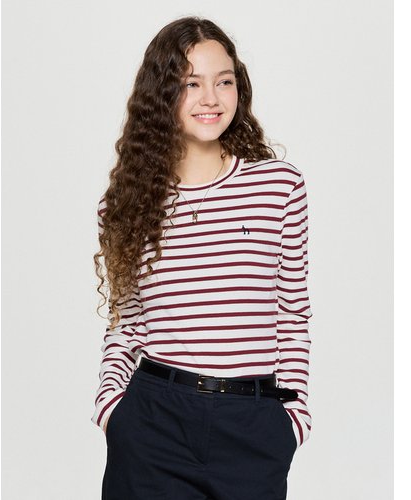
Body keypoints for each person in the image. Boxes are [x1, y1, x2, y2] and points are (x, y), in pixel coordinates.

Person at [92, 16, 313, 500]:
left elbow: (292, 312)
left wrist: (292, 419)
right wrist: (112, 410)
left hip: (253, 425)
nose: (210, 98)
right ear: (161, 94)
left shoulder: (279, 187)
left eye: (224, 81)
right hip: (154, 421)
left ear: (239, 88)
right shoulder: (127, 203)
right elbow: (127, 324)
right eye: (191, 83)